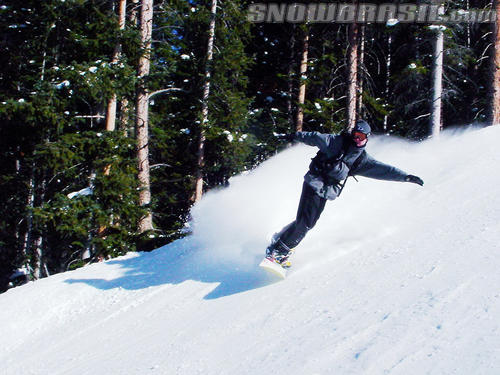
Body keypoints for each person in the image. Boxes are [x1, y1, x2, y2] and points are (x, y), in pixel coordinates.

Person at [266, 119, 424, 267]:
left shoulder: (362, 160)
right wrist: (292, 136)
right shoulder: (336, 142)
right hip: (314, 182)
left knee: (308, 222)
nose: (357, 139)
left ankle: (279, 240)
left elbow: (383, 170)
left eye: (361, 137)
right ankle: (278, 253)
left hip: (326, 191)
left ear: (367, 138)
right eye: (355, 135)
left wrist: (405, 177)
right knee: (306, 223)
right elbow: (314, 137)